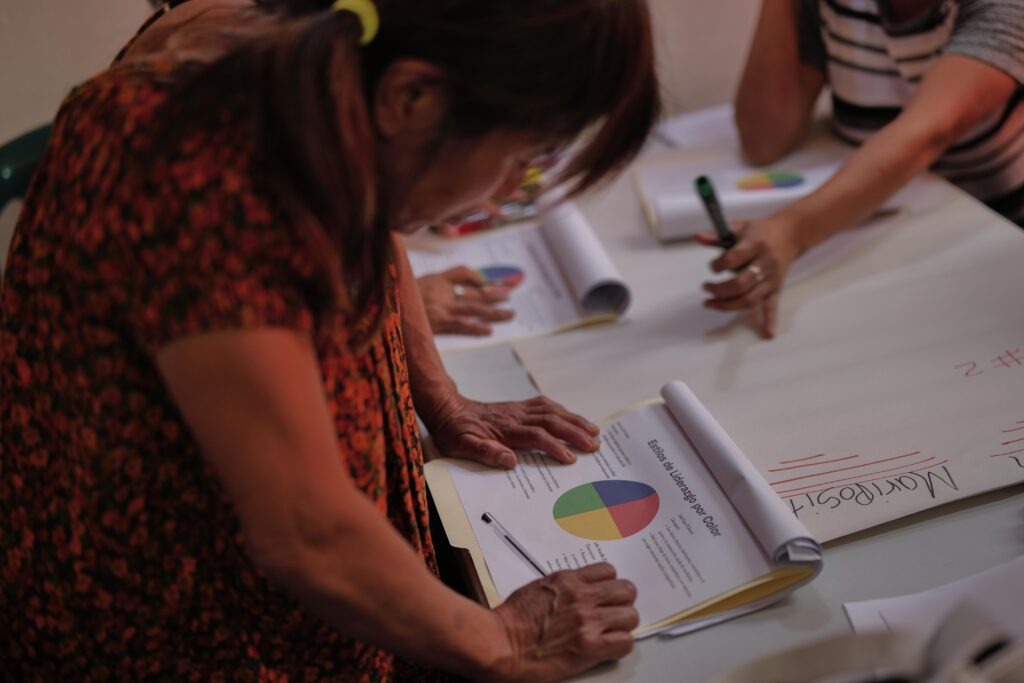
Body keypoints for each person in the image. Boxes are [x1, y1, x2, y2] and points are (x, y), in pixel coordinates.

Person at [0, 0, 659, 680]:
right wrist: (506, 642)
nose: (503, 194)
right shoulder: (206, 185)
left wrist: (437, 396)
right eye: (519, 156)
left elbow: (379, 208)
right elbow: (305, 532)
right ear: (411, 96)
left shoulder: (333, 62)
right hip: (179, 634)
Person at [699, 0, 1024, 339]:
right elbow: (763, 139)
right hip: (865, 230)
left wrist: (789, 231)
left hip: (984, 248)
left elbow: (927, 134)